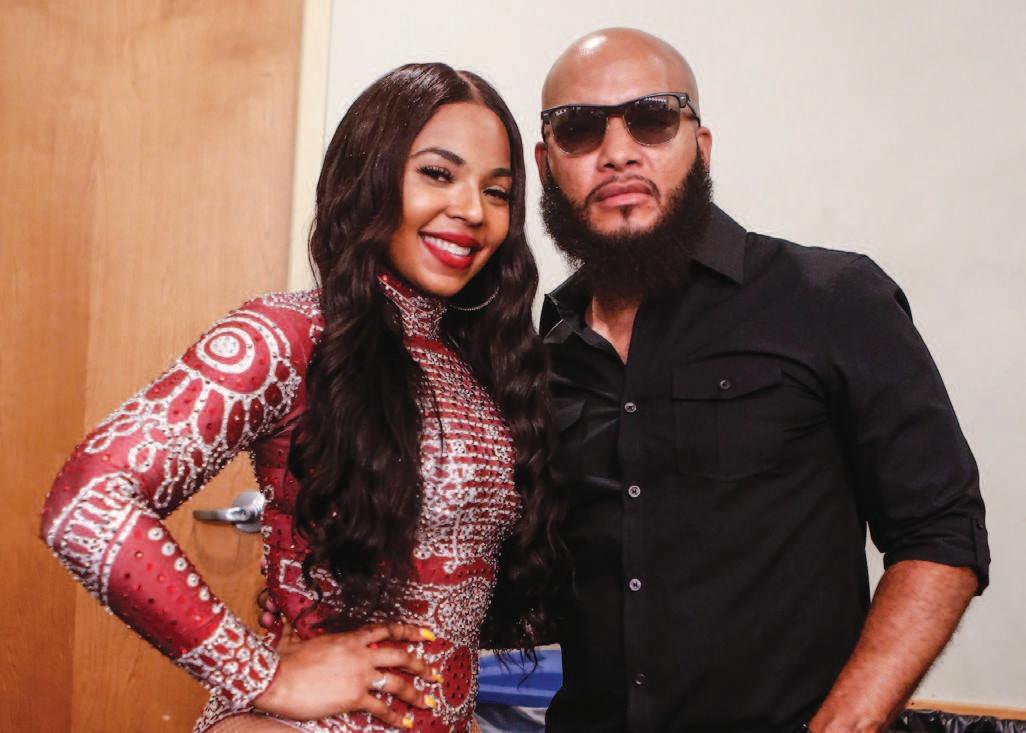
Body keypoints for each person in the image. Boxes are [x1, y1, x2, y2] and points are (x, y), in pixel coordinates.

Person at [39, 62, 562, 733]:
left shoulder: (484, 366)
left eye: (497, 191)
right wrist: (263, 673)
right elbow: (86, 504)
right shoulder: (290, 335)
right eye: (438, 173)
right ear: (368, 176)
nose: (472, 210)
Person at [534, 28, 989, 733]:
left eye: (652, 118)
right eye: (579, 128)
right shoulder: (543, 353)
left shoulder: (830, 298)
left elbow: (941, 533)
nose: (617, 151)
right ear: (545, 164)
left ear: (700, 146)